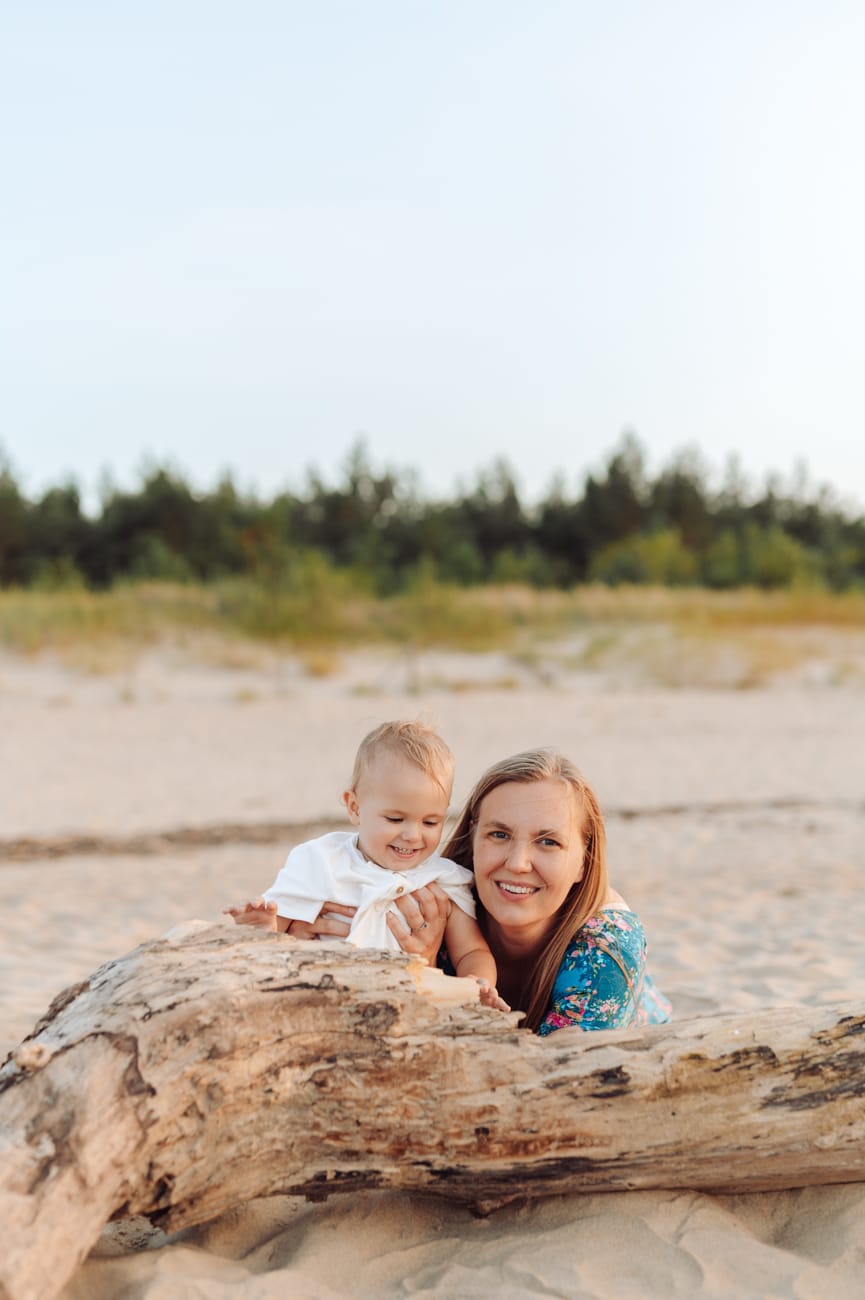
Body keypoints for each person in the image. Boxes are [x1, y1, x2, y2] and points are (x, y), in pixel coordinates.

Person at [285, 747, 670, 1035]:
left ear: (584, 862)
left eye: (548, 842)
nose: (518, 862)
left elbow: (552, 1081)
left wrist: (429, 975)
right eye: (499, 834)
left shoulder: (607, 946)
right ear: (473, 839)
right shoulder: (436, 902)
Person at [223, 720, 499, 1000]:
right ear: (355, 808)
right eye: (395, 819)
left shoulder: (444, 879)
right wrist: (266, 926)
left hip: (405, 1004)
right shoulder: (322, 860)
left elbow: (472, 951)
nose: (413, 835)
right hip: (322, 996)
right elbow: (283, 924)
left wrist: (479, 983)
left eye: (431, 822)